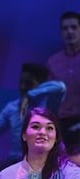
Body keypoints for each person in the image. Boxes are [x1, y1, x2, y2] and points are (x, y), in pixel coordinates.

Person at [0, 63, 66, 167]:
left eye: (28, 83)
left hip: (44, 161)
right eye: (21, 82)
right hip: (17, 160)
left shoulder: (48, 104)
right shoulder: (12, 107)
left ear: (40, 85)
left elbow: (60, 87)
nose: (23, 87)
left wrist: (31, 94)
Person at [47, 11, 80, 151]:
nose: (69, 32)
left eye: (73, 27)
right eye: (65, 29)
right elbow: (50, 98)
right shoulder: (53, 62)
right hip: (62, 125)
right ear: (60, 33)